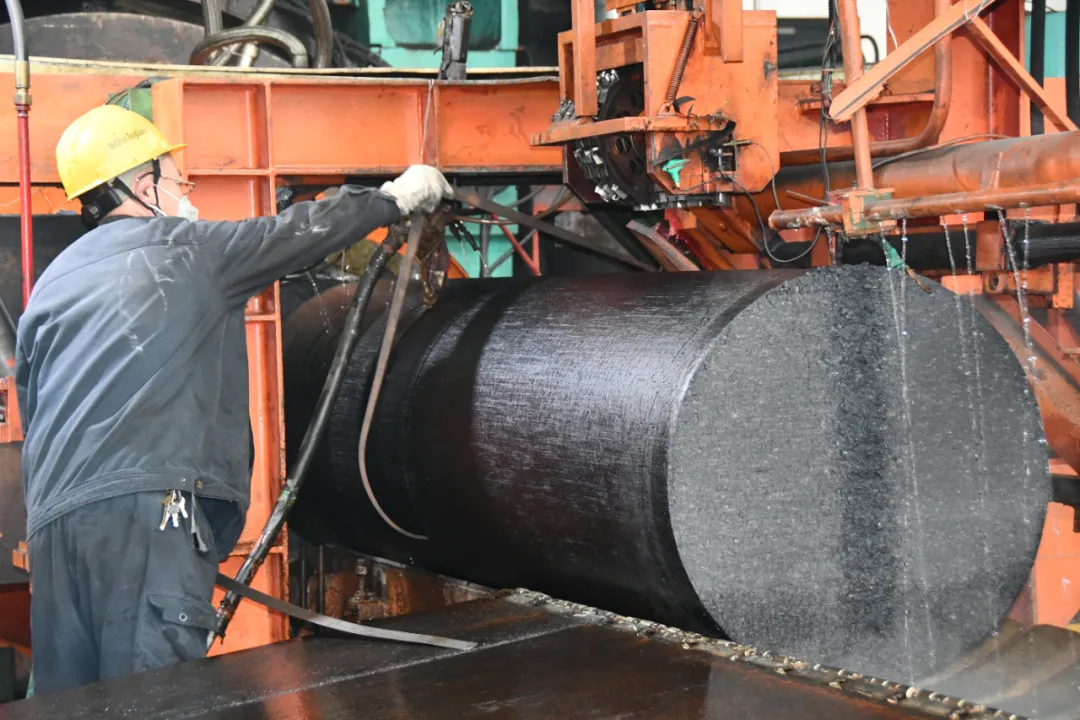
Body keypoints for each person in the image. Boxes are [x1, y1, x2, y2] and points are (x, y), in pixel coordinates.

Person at [15, 104, 452, 695]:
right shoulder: (185, 249)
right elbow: (292, 234)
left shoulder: (52, 285)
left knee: (69, 702)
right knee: (154, 696)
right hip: (148, 513)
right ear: (143, 188)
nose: (186, 197)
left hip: (53, 525)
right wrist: (394, 199)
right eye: (180, 183)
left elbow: (34, 403)